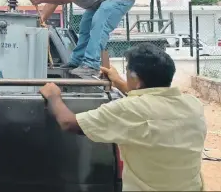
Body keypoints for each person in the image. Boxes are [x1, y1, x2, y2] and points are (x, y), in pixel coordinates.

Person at [39, 43, 206, 191]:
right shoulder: (193, 105)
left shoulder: (128, 110)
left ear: (135, 78)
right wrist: (118, 81)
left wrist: (54, 96)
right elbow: (150, 101)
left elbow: (69, 123)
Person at [29, 0, 136, 78]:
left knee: (99, 23)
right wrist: (40, 21)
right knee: (85, 26)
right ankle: (77, 62)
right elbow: (53, 3)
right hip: (99, 2)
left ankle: (91, 65)